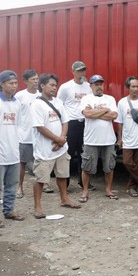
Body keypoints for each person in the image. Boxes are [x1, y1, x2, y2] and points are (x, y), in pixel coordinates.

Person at [31, 73, 82, 218]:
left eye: (55, 85)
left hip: (60, 148)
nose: (54, 88)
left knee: (62, 175)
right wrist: (57, 139)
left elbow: (65, 121)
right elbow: (40, 127)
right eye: (51, 85)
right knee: (41, 178)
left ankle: (64, 198)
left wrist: (62, 139)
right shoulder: (37, 104)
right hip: (44, 149)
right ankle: (38, 207)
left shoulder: (58, 102)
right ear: (42, 86)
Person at [0, 70, 25, 228]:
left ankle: (9, 210)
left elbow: (19, 126)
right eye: (11, 83)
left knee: (11, 185)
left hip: (13, 152)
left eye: (15, 83)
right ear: (2, 84)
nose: (14, 86)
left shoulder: (17, 103)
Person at [79, 74, 118, 202]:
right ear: (91, 86)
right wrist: (105, 110)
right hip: (91, 140)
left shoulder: (110, 99)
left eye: (101, 84)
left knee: (109, 166)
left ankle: (108, 189)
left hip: (108, 140)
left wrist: (95, 113)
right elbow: (87, 114)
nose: (99, 86)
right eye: (96, 84)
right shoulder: (86, 99)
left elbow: (113, 116)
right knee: (87, 167)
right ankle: (85, 190)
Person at [57, 61, 94, 190]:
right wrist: (61, 126)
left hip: (85, 123)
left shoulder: (89, 87)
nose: (81, 73)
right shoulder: (66, 87)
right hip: (71, 123)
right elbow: (59, 106)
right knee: (69, 154)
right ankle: (65, 184)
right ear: (73, 71)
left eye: (83, 70)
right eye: (78, 71)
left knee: (85, 153)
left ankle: (83, 182)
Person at [15, 69, 40, 198]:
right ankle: (20, 186)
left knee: (41, 161)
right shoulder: (20, 96)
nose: (36, 81)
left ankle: (43, 184)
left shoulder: (41, 95)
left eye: (37, 78)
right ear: (25, 81)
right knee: (22, 163)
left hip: (39, 136)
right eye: (33, 79)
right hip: (24, 135)